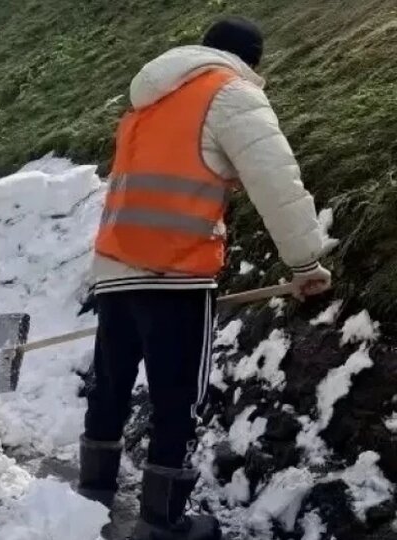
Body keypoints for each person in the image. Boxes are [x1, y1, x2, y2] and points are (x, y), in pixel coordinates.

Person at [76, 16, 332, 540]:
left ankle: (91, 497)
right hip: (174, 273)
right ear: (250, 60)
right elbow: (276, 182)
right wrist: (306, 261)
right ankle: (162, 521)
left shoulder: (147, 101)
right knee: (176, 397)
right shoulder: (230, 93)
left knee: (111, 383)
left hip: (114, 268)